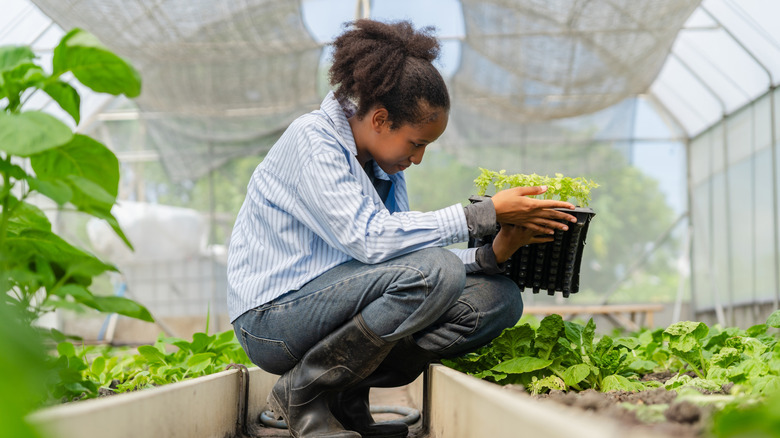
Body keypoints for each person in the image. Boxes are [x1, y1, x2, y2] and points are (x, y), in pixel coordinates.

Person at [227, 19, 577, 438]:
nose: (419, 157)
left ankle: (345, 399)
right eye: (416, 143)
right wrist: (483, 216)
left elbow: (402, 260)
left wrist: (491, 255)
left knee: (497, 298)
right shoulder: (313, 140)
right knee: (436, 273)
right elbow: (372, 240)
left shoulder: (384, 167)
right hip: (273, 322)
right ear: (379, 119)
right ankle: (302, 391)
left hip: (335, 307)